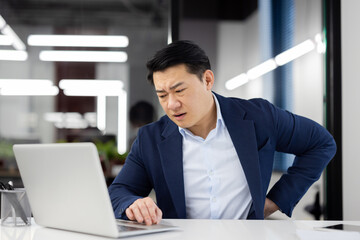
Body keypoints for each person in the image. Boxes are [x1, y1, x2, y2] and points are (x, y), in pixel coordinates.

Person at [108, 40, 336, 225]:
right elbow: (120, 190)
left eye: (180, 90)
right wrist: (131, 203)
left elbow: (321, 143)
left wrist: (276, 200)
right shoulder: (151, 139)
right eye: (162, 95)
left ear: (207, 80)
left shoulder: (259, 117)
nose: (172, 104)